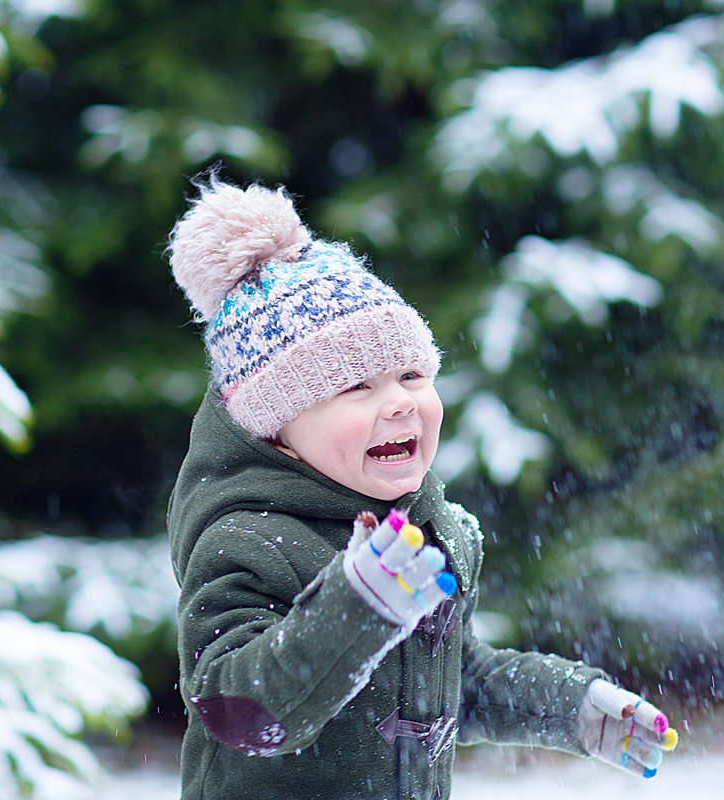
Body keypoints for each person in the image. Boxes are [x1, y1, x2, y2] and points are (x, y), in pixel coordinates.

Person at [166, 174, 678, 800]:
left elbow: (445, 679)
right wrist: (355, 605)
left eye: (411, 374)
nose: (400, 404)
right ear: (277, 428)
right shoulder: (249, 541)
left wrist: (570, 707)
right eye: (356, 386)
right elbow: (242, 712)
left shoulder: (434, 531)